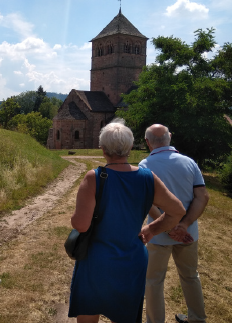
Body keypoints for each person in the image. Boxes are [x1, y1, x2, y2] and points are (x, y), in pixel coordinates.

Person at [68, 118, 186, 323]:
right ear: (130, 147)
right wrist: (151, 229)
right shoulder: (147, 177)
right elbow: (177, 211)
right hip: (132, 259)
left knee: (88, 313)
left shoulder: (94, 178)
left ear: (102, 149)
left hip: (96, 260)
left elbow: (81, 225)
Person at [139, 124, 209, 323]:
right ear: (169, 137)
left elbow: (147, 201)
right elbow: (202, 196)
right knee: (190, 276)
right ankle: (197, 319)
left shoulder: (145, 165)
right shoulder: (189, 162)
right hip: (188, 234)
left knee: (153, 281)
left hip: (158, 234)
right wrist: (184, 225)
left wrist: (167, 225)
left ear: (147, 142)